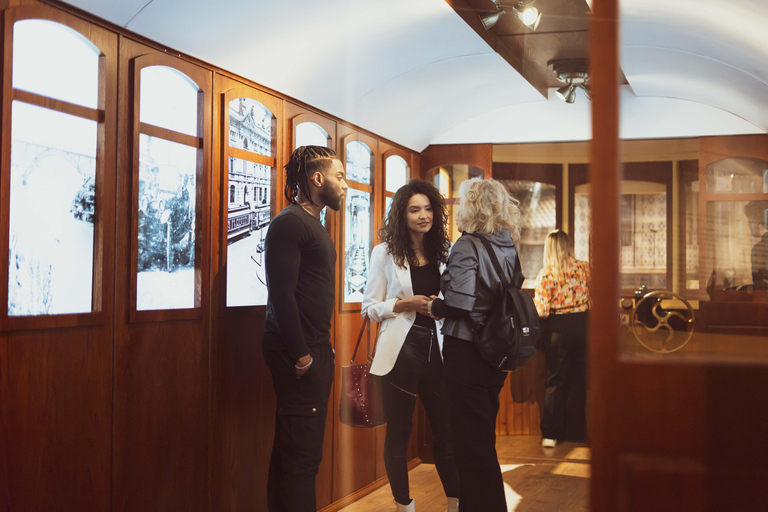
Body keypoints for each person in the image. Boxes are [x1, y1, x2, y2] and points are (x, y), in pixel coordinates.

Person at [361, 180, 460, 512]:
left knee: (446, 434)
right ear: (402, 215)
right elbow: (369, 308)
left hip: (441, 350)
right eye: (414, 209)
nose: (423, 216)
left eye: (428, 208)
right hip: (400, 354)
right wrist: (404, 305)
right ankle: (404, 506)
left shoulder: (446, 250)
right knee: (399, 435)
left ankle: (455, 504)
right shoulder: (384, 252)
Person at [261, 145, 347, 512]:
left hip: (311, 351)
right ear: (317, 178)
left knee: (296, 455)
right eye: (339, 177)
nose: (345, 185)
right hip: (298, 354)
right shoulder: (291, 223)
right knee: (301, 458)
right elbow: (281, 294)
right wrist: (302, 356)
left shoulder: (309, 223)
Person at [428, 178, 522, 512]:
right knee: (480, 441)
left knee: (470, 447)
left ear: (469, 205)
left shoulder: (467, 245)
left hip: (466, 351)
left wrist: (432, 306)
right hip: (496, 352)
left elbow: (458, 304)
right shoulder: (507, 242)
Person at [534, 230, 591, 448]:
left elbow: (542, 310)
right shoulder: (584, 268)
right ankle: (578, 433)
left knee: (555, 381)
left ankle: (550, 434)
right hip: (583, 326)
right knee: (580, 380)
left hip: (558, 329)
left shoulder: (546, 274)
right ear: (568, 245)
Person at [745, 200, 768, 289]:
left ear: (757, 221)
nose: (748, 224)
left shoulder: (758, 248)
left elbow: (759, 285)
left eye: (749, 220)